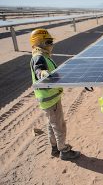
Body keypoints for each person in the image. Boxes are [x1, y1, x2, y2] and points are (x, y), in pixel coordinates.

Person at [30, 28, 80, 160]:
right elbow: (38, 69)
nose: (52, 44)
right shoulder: (39, 57)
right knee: (59, 126)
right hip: (50, 100)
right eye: (48, 42)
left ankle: (54, 148)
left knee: (52, 124)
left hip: (48, 99)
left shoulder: (44, 56)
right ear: (39, 43)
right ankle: (64, 150)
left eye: (51, 42)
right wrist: (42, 73)